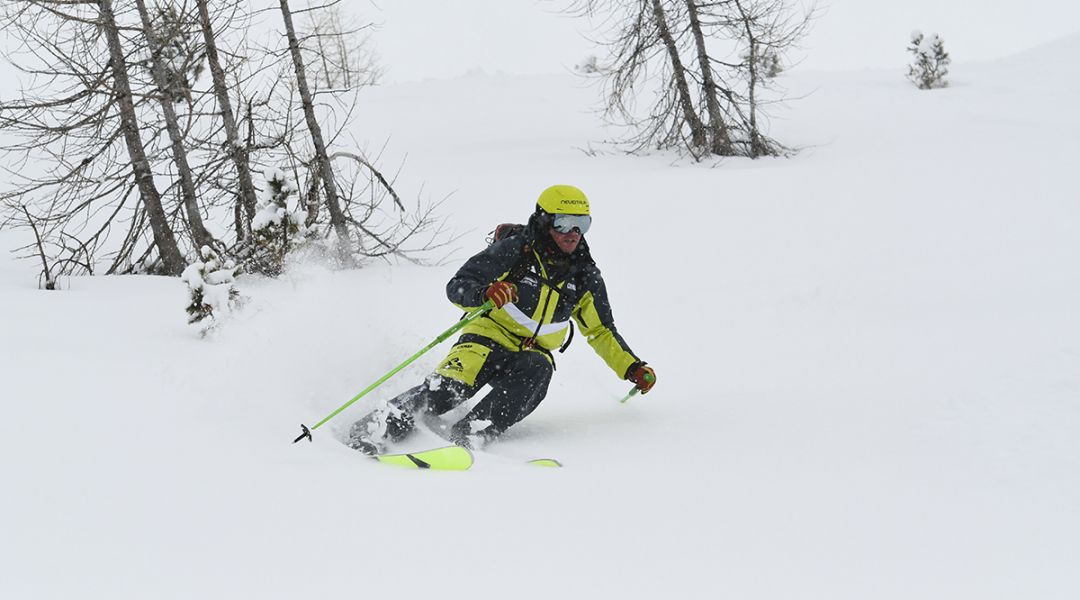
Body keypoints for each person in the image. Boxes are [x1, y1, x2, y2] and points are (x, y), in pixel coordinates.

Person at [346, 184, 656, 453]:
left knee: (538, 371)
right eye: (564, 223)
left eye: (582, 225)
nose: (573, 234)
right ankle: (372, 429)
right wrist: (485, 293)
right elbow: (458, 285)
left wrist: (631, 367)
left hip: (533, 352)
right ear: (546, 220)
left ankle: (470, 434)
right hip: (487, 337)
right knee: (449, 389)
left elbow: (601, 331)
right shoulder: (515, 251)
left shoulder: (584, 274)